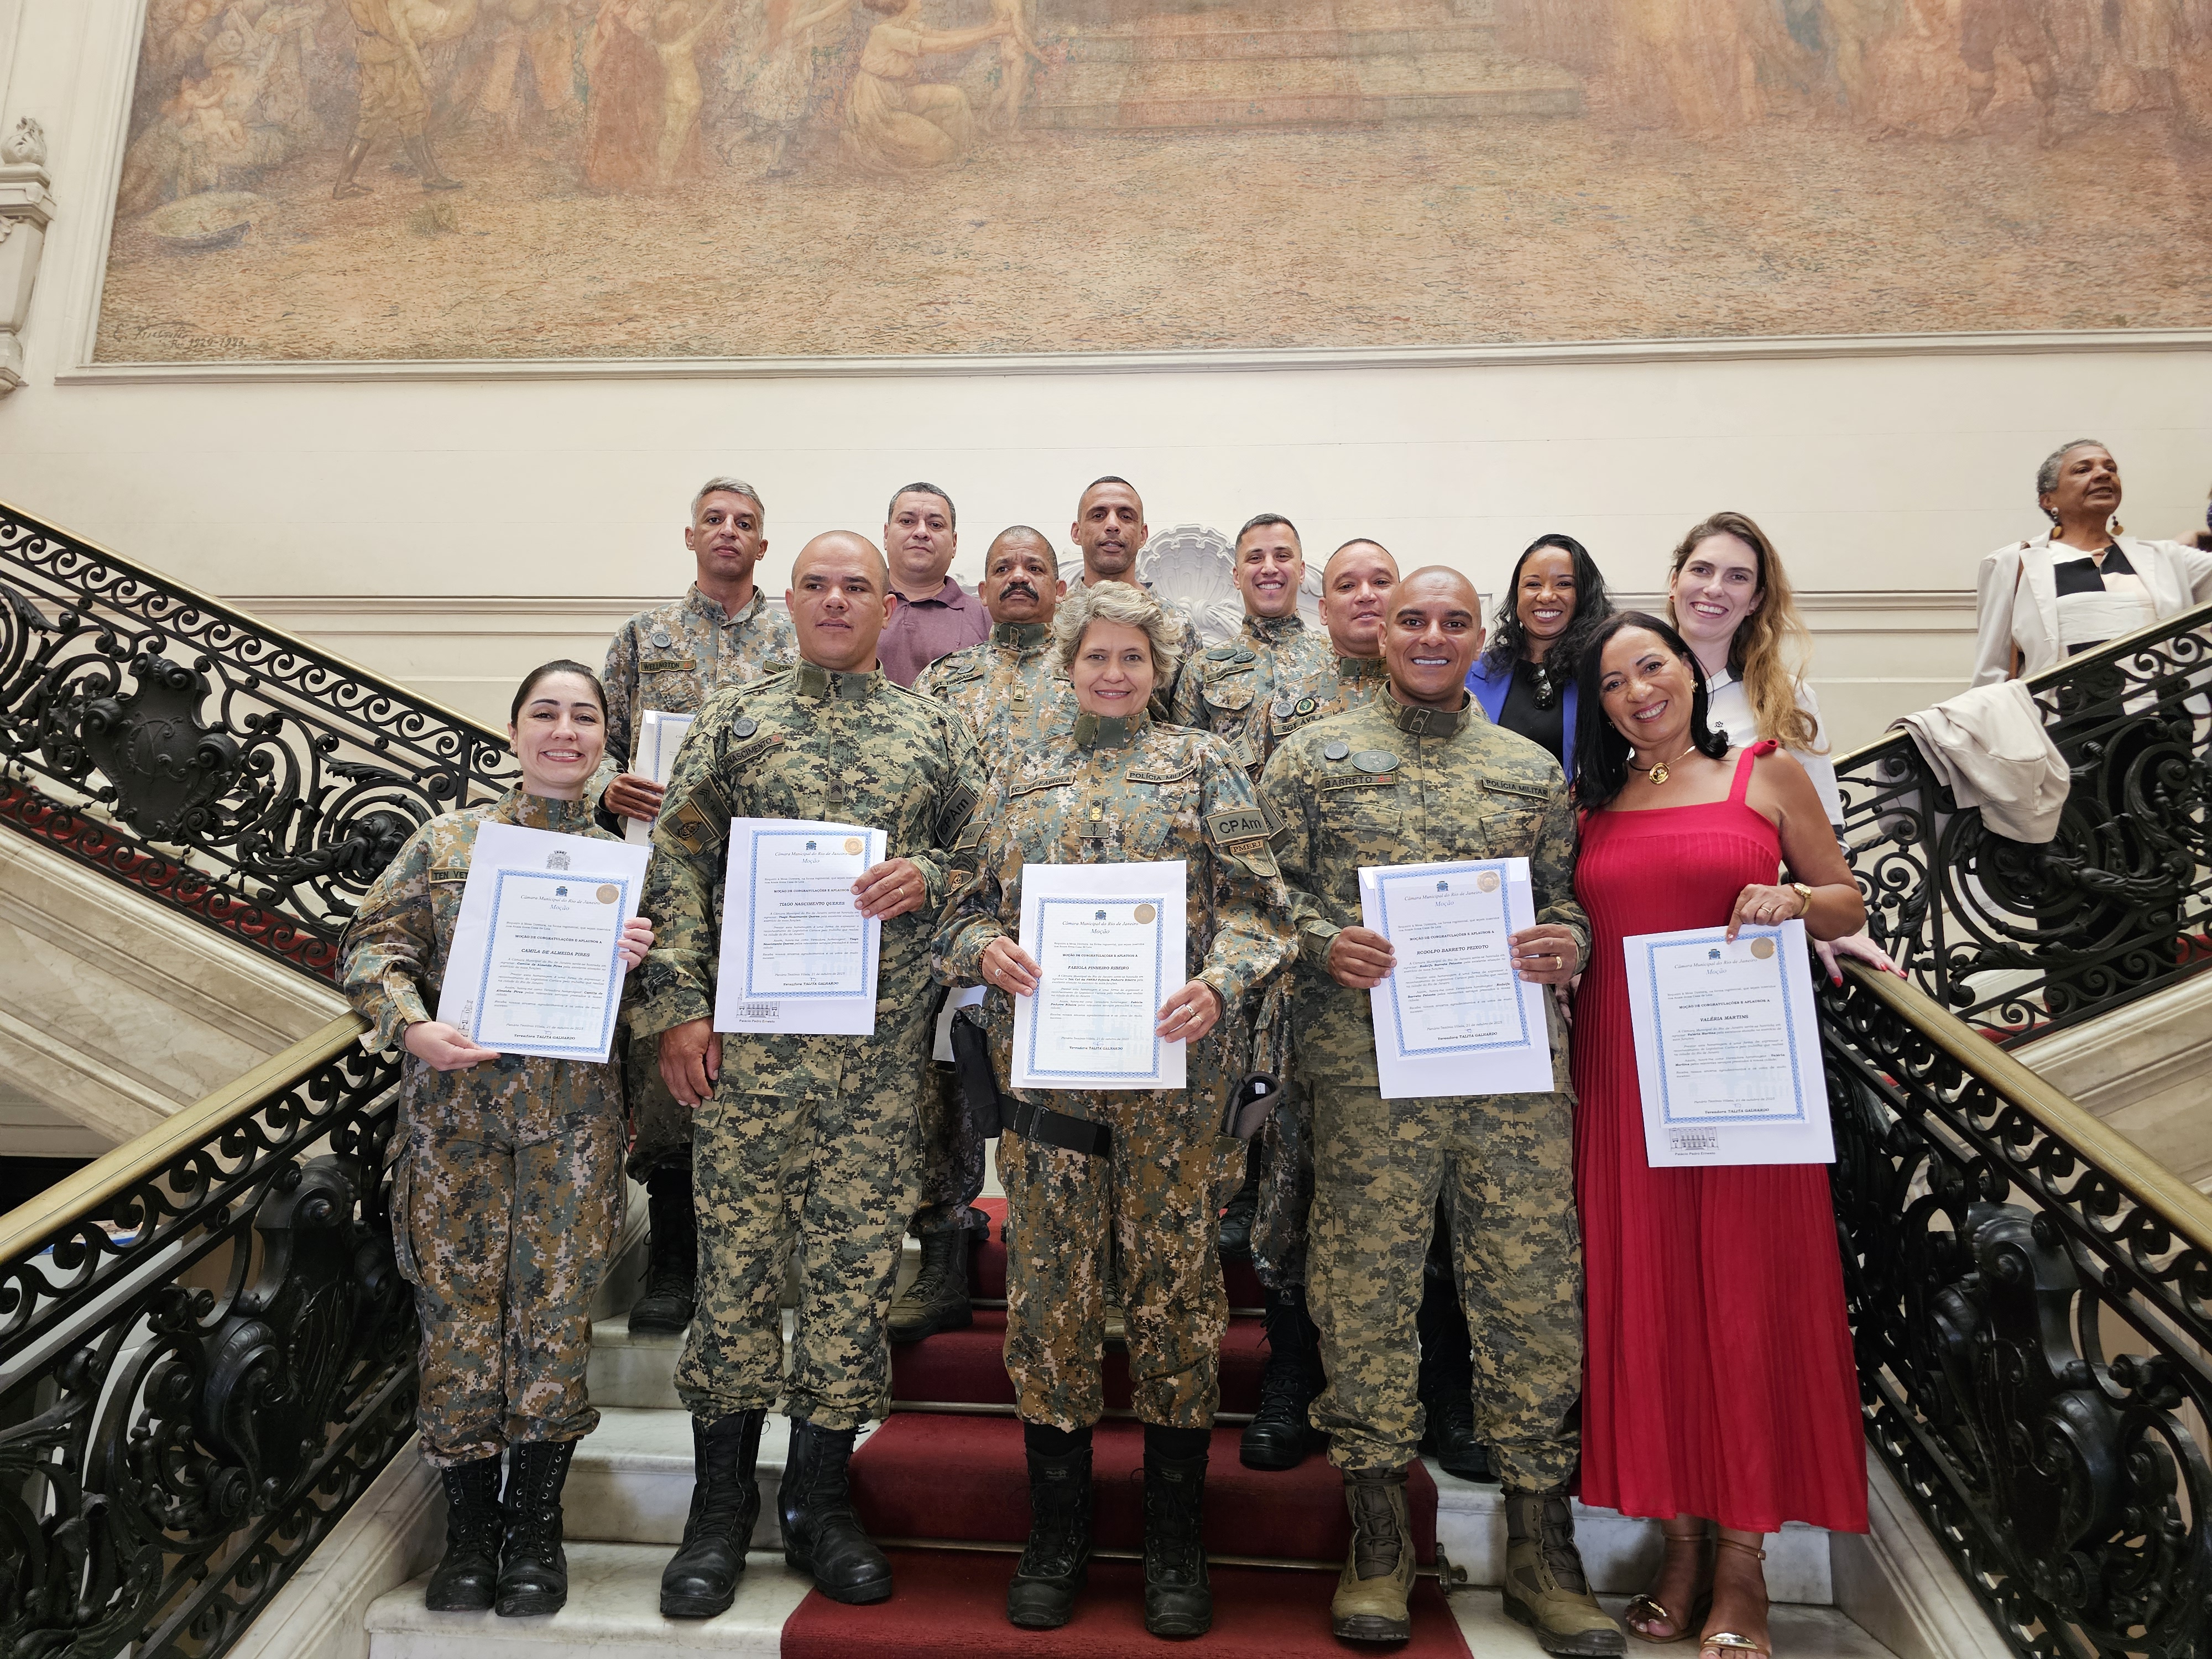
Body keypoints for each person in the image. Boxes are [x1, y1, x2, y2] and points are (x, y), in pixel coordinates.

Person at [1258, 567, 1616, 1653]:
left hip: (1504, 1080)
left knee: (1530, 1290)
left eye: (1453, 621)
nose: (1429, 635)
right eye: (1411, 619)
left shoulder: (1525, 770)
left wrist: (1568, 943)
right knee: (1363, 1289)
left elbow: (1562, 900)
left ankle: (1541, 1550)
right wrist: (1322, 940)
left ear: (1476, 639)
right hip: (1365, 1073)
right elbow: (1259, 896)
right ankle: (1378, 1542)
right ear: (1382, 634)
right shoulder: (1311, 759)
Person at [932, 580, 1296, 1637]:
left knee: (1179, 1305)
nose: (1114, 672)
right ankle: (1059, 1530)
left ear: (1157, 669)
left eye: (1133, 657)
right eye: (1096, 655)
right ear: (1069, 664)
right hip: (1052, 1105)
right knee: (1050, 1304)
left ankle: (1174, 1535)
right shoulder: (1014, 775)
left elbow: (1264, 913)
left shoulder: (1205, 766)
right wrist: (983, 951)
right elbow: (955, 913)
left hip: (1174, 1104)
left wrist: (1220, 982)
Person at [640, 532, 987, 1618]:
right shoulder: (738, 721)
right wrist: (678, 1008)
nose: (837, 600)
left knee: (849, 1286)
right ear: (789, 601)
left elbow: (989, 861)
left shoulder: (933, 731)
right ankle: (717, 1513)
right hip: (746, 1064)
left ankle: (818, 1504)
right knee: (735, 1279)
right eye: (818, 585)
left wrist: (929, 874)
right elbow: (678, 861)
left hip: (875, 1072)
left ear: (889, 609)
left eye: (857, 587)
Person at [1569, 611, 1870, 1659]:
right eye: (1613, 683)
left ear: (1691, 674)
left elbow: (1847, 903)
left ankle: (1744, 1562)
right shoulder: (1588, 804)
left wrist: (1793, 898)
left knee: (1742, 1301)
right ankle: (1682, 1546)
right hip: (1620, 1083)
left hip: (1742, 1086)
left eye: (1650, 666)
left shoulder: (1764, 771)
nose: (1636, 692)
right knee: (1649, 1303)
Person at [340, 661, 656, 1619]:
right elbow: (371, 949)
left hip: (573, 1128)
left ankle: (535, 1530)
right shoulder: (448, 842)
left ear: (605, 741)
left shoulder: (628, 861)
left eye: (585, 717)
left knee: (556, 1318)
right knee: (459, 1322)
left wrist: (637, 962)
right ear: (515, 734)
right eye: (545, 714)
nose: (566, 731)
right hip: (457, 1127)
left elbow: (669, 999)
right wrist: (413, 1028)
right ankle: (472, 1530)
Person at [1173, 529, 1397, 1474]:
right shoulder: (1224, 676)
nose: (1368, 600)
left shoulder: (1409, 689)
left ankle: (1408, 1382)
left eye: (1380, 583)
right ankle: (1291, 1368)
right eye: (1352, 584)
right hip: (1274, 950)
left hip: (1396, 969)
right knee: (1284, 1158)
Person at [598, 477, 798, 1338]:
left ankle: (754, 1261)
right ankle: (674, 1258)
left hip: (769, 889)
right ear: (691, 537)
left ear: (763, 545)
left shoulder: (796, 637)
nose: (727, 531)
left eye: (744, 523)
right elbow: (597, 744)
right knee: (666, 1069)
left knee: (761, 1064)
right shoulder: (645, 638)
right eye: (713, 520)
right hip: (669, 887)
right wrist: (608, 787)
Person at [889, 526, 1074, 1345]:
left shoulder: (1091, 669)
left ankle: (1068, 1251)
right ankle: (946, 1254)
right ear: (985, 588)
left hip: (1064, 913)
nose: (1019, 578)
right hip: (962, 906)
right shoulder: (946, 679)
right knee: (946, 1082)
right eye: (1004, 568)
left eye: (1035, 567)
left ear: (1059, 587)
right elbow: (918, 791)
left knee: (1062, 1086)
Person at [1971, 440, 2212, 686]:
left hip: (2166, 708)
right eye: (2083, 470)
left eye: (2111, 468)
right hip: (2065, 708)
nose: (2103, 474)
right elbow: (1992, 670)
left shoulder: (2167, 557)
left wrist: (2204, 533)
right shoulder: (2013, 563)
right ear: (2048, 500)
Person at [1170, 513, 1335, 777]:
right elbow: (1185, 765)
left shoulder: (1334, 657)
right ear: (1237, 576)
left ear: (1302, 571)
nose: (1269, 568)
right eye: (1255, 558)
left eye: (1282, 556)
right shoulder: (1202, 668)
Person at [1465, 533, 1614, 775]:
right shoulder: (1474, 673)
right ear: (1517, 595)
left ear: (1585, 595)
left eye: (1564, 584)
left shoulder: (1604, 674)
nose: (1546, 596)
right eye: (1533, 584)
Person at [1067, 476, 1202, 717]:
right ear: (1077, 533)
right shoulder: (1055, 618)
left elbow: (1184, 725)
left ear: (1142, 535)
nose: (1112, 525)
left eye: (1126, 516)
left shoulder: (1177, 626)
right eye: (1098, 515)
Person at [839, 0, 1009, 173]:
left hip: (897, 95)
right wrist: (995, 31)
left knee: (953, 96)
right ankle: (945, 152)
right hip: (877, 108)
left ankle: (964, 152)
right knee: (943, 149)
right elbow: (944, 46)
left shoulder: (907, 25)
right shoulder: (887, 32)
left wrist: (992, 28)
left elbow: (945, 36)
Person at [333, 0, 462, 196]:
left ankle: (344, 184)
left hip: (372, 54)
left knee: (370, 120)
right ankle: (431, 178)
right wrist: (418, 39)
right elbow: (389, 30)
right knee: (410, 117)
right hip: (390, 59)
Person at [877, 482, 991, 687]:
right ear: (886, 535)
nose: (921, 532)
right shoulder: (853, 605)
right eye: (907, 521)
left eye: (936, 525)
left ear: (954, 544)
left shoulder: (986, 618)